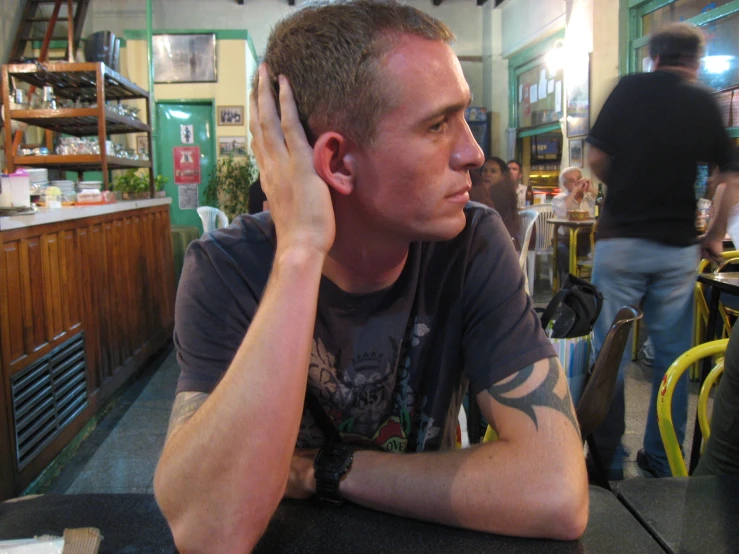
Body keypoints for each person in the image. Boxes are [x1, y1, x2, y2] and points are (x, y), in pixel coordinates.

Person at [153, 2, 588, 551]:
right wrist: (300, 252)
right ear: (337, 164)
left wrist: (320, 471)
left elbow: (555, 491)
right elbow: (209, 532)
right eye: (437, 125)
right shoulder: (228, 268)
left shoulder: (470, 244)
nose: (474, 153)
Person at [586, 22, 739, 480]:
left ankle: (605, 460)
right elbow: (730, 180)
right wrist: (712, 235)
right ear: (694, 61)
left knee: (607, 355)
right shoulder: (703, 103)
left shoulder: (628, 89)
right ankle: (659, 462)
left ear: (653, 56)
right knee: (670, 360)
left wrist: (628, 188)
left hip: (621, 243)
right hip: (676, 249)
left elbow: (594, 158)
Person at [551, 166, 595, 281]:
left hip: (588, 239)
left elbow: (606, 208)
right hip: (566, 239)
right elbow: (560, 212)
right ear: (565, 185)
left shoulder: (591, 198)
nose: (577, 182)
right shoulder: (559, 198)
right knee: (563, 253)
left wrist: (593, 190)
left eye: (579, 178)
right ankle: (567, 288)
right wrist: (575, 190)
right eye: (572, 181)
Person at [469, 156, 521, 248]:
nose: (488, 174)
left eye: (493, 171)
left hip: (501, 244)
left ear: (502, 176)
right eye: (485, 171)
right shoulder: (476, 193)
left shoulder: (506, 196)